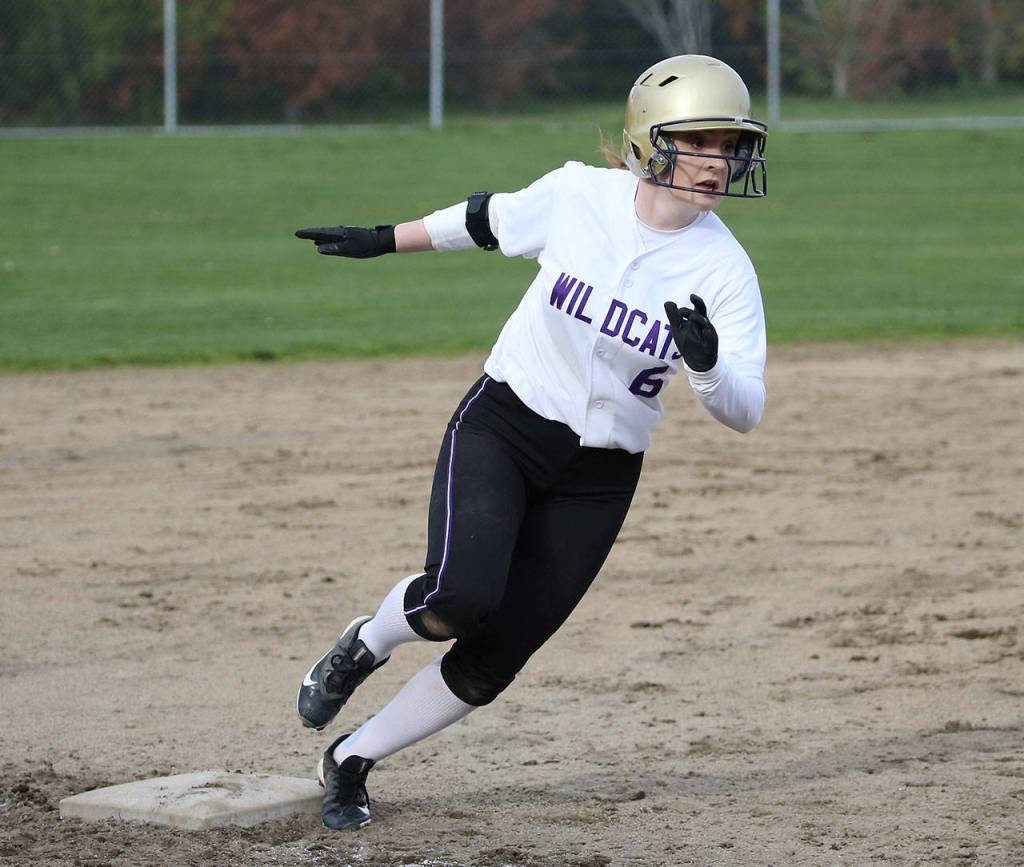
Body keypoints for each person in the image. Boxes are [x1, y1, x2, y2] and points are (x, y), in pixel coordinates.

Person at [293, 54, 768, 831]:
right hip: (506, 425)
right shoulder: (581, 194)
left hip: (600, 476)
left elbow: (745, 408)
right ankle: (365, 641)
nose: (721, 162)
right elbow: (486, 219)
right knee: (458, 600)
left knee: (492, 660)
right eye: (701, 142)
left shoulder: (725, 271)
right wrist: (385, 239)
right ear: (651, 141)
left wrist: (709, 363)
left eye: (731, 145)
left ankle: (350, 760)